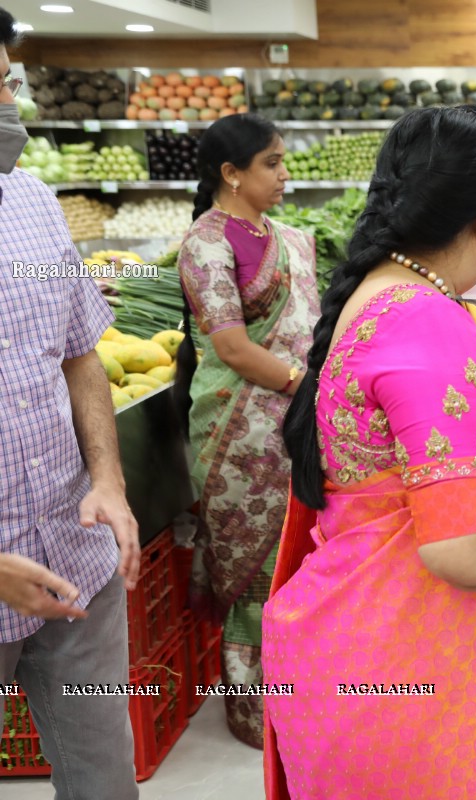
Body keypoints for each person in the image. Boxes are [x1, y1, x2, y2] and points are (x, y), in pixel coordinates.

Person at [261, 104, 476, 799]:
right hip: (433, 685)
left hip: (374, 652)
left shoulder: (384, 294)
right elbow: (465, 551)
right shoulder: (429, 328)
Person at [0, 9, 141, 797]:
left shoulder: (31, 199)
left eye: (7, 83)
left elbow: (82, 349)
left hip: (73, 556)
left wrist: (108, 480)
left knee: (104, 781)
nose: (8, 105)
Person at [174, 113, 320, 749]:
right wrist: (301, 386)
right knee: (253, 572)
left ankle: (304, 691)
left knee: (301, 561)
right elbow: (231, 347)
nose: (286, 174)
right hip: (240, 435)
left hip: (298, 425)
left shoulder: (288, 236)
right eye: (273, 164)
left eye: (285, 161)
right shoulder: (205, 244)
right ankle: (252, 709)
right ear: (232, 174)